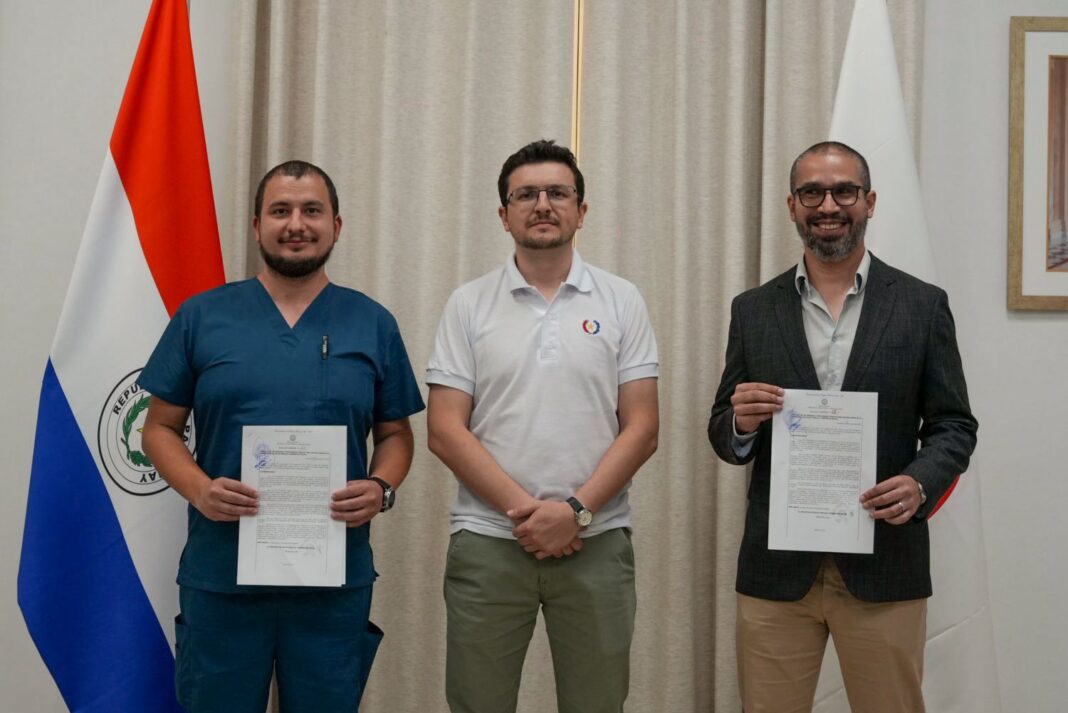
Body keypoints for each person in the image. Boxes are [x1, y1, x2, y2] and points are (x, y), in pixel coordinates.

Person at [140, 160, 425, 712]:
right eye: (280, 211)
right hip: (222, 577)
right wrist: (199, 489)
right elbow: (159, 429)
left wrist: (381, 488)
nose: (296, 224)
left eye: (311, 210)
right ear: (256, 226)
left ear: (336, 226)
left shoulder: (372, 323)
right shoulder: (202, 317)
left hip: (331, 582)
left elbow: (396, 434)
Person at [707, 141, 978, 713]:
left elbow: (954, 424)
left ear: (869, 202)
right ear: (792, 205)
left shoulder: (922, 305)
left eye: (843, 192)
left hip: (885, 565)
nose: (828, 205)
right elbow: (723, 431)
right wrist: (741, 421)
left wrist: (919, 482)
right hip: (777, 572)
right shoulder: (752, 310)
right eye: (812, 193)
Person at [426, 139, 660, 713]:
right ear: (503, 214)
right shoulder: (468, 304)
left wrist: (574, 512)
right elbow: (445, 430)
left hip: (597, 540)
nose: (543, 204)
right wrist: (530, 517)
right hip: (489, 540)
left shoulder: (622, 299)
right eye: (526, 194)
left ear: (582, 210)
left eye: (558, 193)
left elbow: (643, 427)